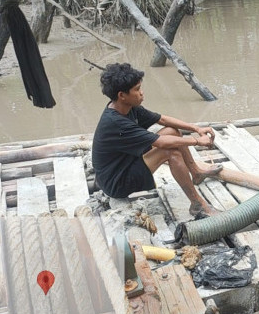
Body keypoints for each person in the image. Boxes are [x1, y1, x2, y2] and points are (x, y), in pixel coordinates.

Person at [92, 63, 222, 217]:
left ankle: (196, 173)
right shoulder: (116, 122)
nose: (142, 93)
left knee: (172, 132)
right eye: (137, 89)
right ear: (122, 95)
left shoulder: (127, 107)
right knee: (170, 152)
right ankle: (197, 205)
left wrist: (196, 128)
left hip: (126, 163)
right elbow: (161, 143)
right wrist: (197, 141)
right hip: (117, 182)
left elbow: (163, 120)